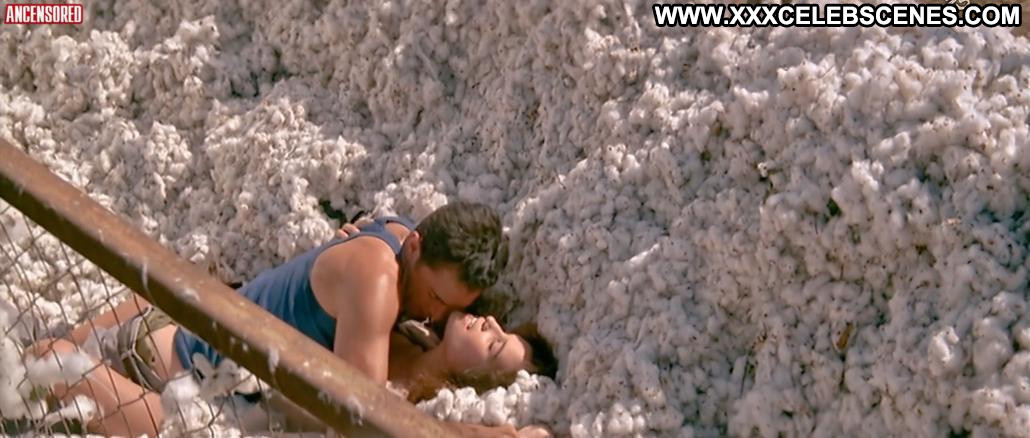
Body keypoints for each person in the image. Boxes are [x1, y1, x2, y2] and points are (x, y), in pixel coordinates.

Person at [28, 201, 551, 436]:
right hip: (175, 376)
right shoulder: (377, 282)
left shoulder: (399, 242)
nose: (435, 315)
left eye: (452, 309)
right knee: (47, 365)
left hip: (191, 334)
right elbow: (367, 424)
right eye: (435, 298)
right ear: (415, 245)